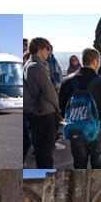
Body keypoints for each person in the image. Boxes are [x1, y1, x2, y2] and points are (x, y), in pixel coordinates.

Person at [58, 47, 101, 169]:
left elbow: (62, 107)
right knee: (98, 166)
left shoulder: (67, 81)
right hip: (97, 128)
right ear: (95, 61)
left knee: (79, 165)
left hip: (75, 128)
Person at [24, 37, 60, 168]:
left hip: (36, 112)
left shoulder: (29, 64)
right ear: (39, 49)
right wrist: (58, 107)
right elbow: (49, 90)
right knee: (46, 149)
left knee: (40, 149)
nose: (48, 51)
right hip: (44, 112)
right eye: (47, 48)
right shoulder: (37, 66)